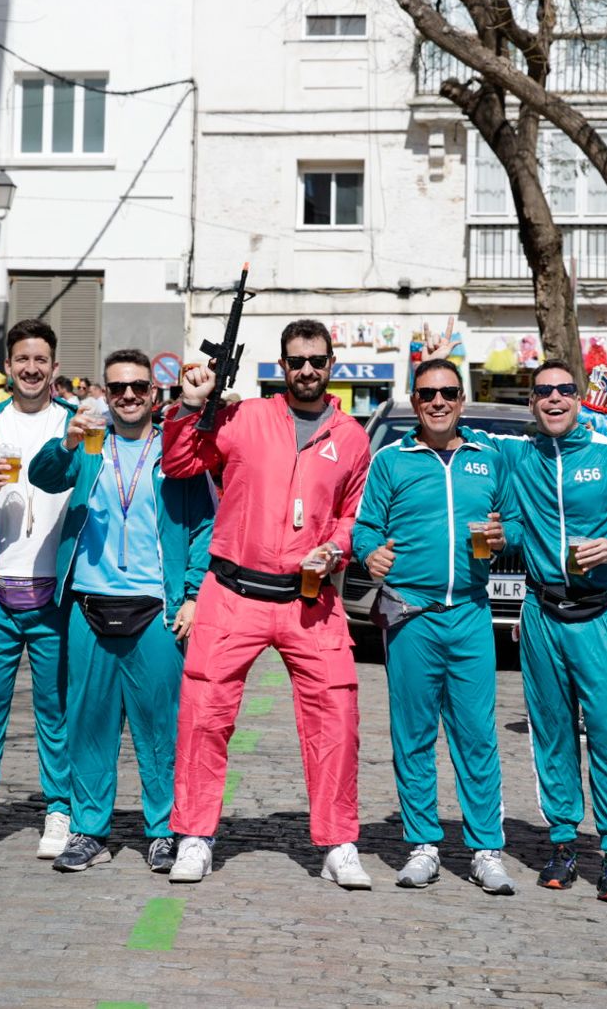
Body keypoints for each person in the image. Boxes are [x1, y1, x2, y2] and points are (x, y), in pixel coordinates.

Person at [161, 318, 374, 889]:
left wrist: (337, 549)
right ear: (282, 366)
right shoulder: (244, 418)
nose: (306, 370)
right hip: (233, 593)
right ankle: (194, 836)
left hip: (310, 600)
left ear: (331, 365)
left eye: (317, 361)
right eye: (296, 361)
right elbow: (180, 463)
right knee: (203, 716)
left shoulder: (353, 437)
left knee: (337, 719)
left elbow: (354, 515)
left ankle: (339, 843)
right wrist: (190, 405)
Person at [28, 349, 216, 874]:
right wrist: (66, 442)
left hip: (156, 608)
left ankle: (162, 831)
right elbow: (43, 477)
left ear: (154, 394)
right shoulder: (90, 445)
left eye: (138, 387)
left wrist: (193, 594)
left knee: (159, 729)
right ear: (105, 394)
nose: (128, 395)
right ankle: (89, 830)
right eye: (117, 388)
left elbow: (204, 527)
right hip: (89, 604)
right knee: (89, 725)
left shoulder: (174, 450)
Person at [352, 359, 517, 895]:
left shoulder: (488, 458)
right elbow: (365, 528)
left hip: (470, 612)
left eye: (447, 392)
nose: (438, 402)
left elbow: (514, 522)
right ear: (415, 401)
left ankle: (486, 849)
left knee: (477, 736)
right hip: (411, 615)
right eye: (427, 394)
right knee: (414, 734)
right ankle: (422, 844)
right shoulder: (390, 461)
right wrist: (370, 553)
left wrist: (504, 536)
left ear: (461, 399)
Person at [495, 358, 607, 904]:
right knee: (552, 734)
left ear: (577, 397)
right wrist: (503, 536)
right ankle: (562, 843)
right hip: (542, 615)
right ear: (532, 403)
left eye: (565, 389)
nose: (555, 399)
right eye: (544, 392)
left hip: (601, 616)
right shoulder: (521, 455)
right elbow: (460, 439)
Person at [0, 319, 78, 861]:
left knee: (56, 709)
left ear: (54, 366)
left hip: (57, 594)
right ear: (7, 366)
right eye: (22, 359)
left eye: (40, 359)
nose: (31, 368)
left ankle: (60, 809)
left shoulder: (74, 424)